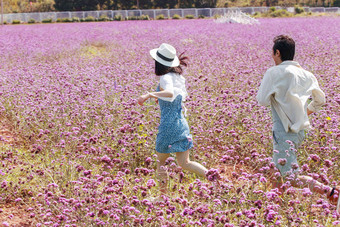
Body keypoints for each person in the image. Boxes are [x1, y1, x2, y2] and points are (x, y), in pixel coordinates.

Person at [256, 35, 339, 211]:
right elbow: (320, 100)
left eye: (273, 53)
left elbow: (262, 100)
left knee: (289, 177)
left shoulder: (274, 72)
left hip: (283, 131)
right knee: (279, 171)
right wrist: (304, 112)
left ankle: (332, 193)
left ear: (277, 52)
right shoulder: (306, 73)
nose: (272, 56)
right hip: (300, 130)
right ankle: (276, 207)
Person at [137, 43, 209, 197]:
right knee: (185, 163)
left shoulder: (165, 78)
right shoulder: (177, 76)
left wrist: (150, 94)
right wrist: (159, 98)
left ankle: (162, 197)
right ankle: (214, 177)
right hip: (181, 123)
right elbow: (173, 97)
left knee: (161, 162)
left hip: (169, 125)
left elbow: (169, 93)